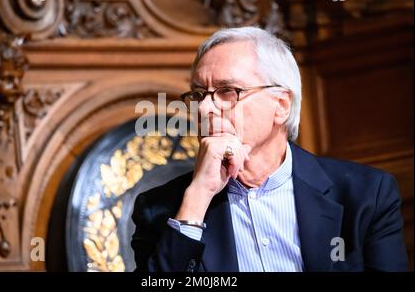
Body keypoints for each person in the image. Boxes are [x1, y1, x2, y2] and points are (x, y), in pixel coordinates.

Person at [131, 26, 408, 272]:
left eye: (228, 91)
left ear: (281, 105)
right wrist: (197, 198)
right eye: (199, 94)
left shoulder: (366, 196)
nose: (204, 108)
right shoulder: (160, 209)